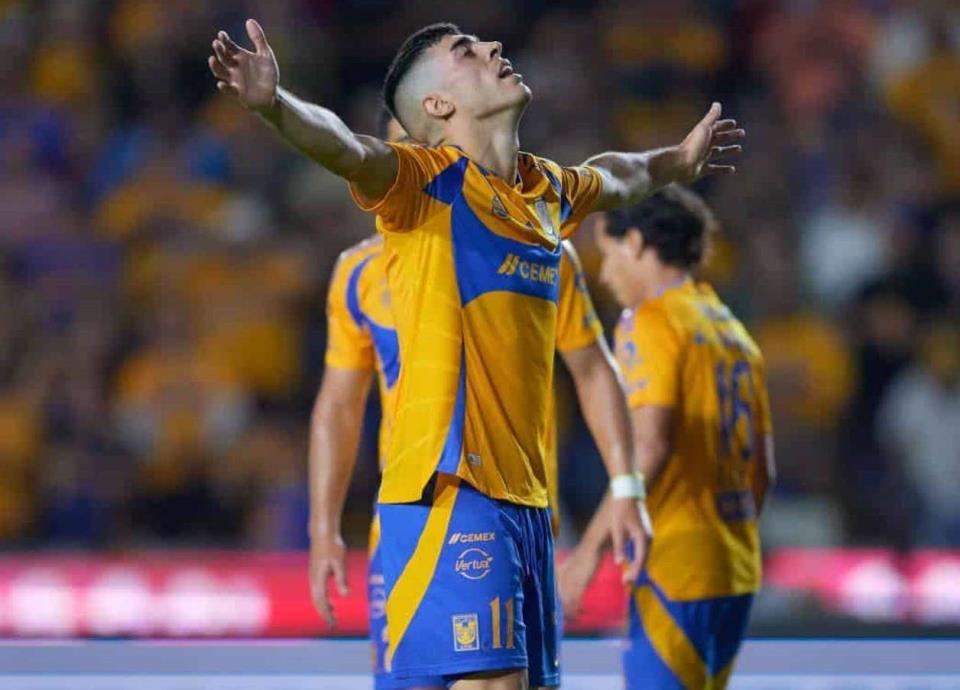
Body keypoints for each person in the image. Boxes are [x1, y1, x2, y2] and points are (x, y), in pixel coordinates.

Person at [208, 20, 743, 689]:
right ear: (437, 106)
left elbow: (617, 175)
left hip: (526, 504)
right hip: (451, 492)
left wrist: (679, 163)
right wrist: (275, 106)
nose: (493, 48)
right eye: (465, 52)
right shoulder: (423, 187)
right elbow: (349, 149)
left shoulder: (546, 194)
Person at [310, 118, 626, 690]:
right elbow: (339, 405)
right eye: (406, 148)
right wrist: (323, 526)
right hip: (418, 515)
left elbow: (592, 370)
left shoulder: (539, 240)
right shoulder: (358, 273)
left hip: (516, 513)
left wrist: (626, 485)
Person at [559, 186, 774, 690]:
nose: (605, 275)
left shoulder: (651, 322)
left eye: (609, 254)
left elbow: (649, 443)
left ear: (634, 242)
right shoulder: (733, 332)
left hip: (676, 564)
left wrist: (587, 554)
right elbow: (763, 471)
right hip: (735, 566)